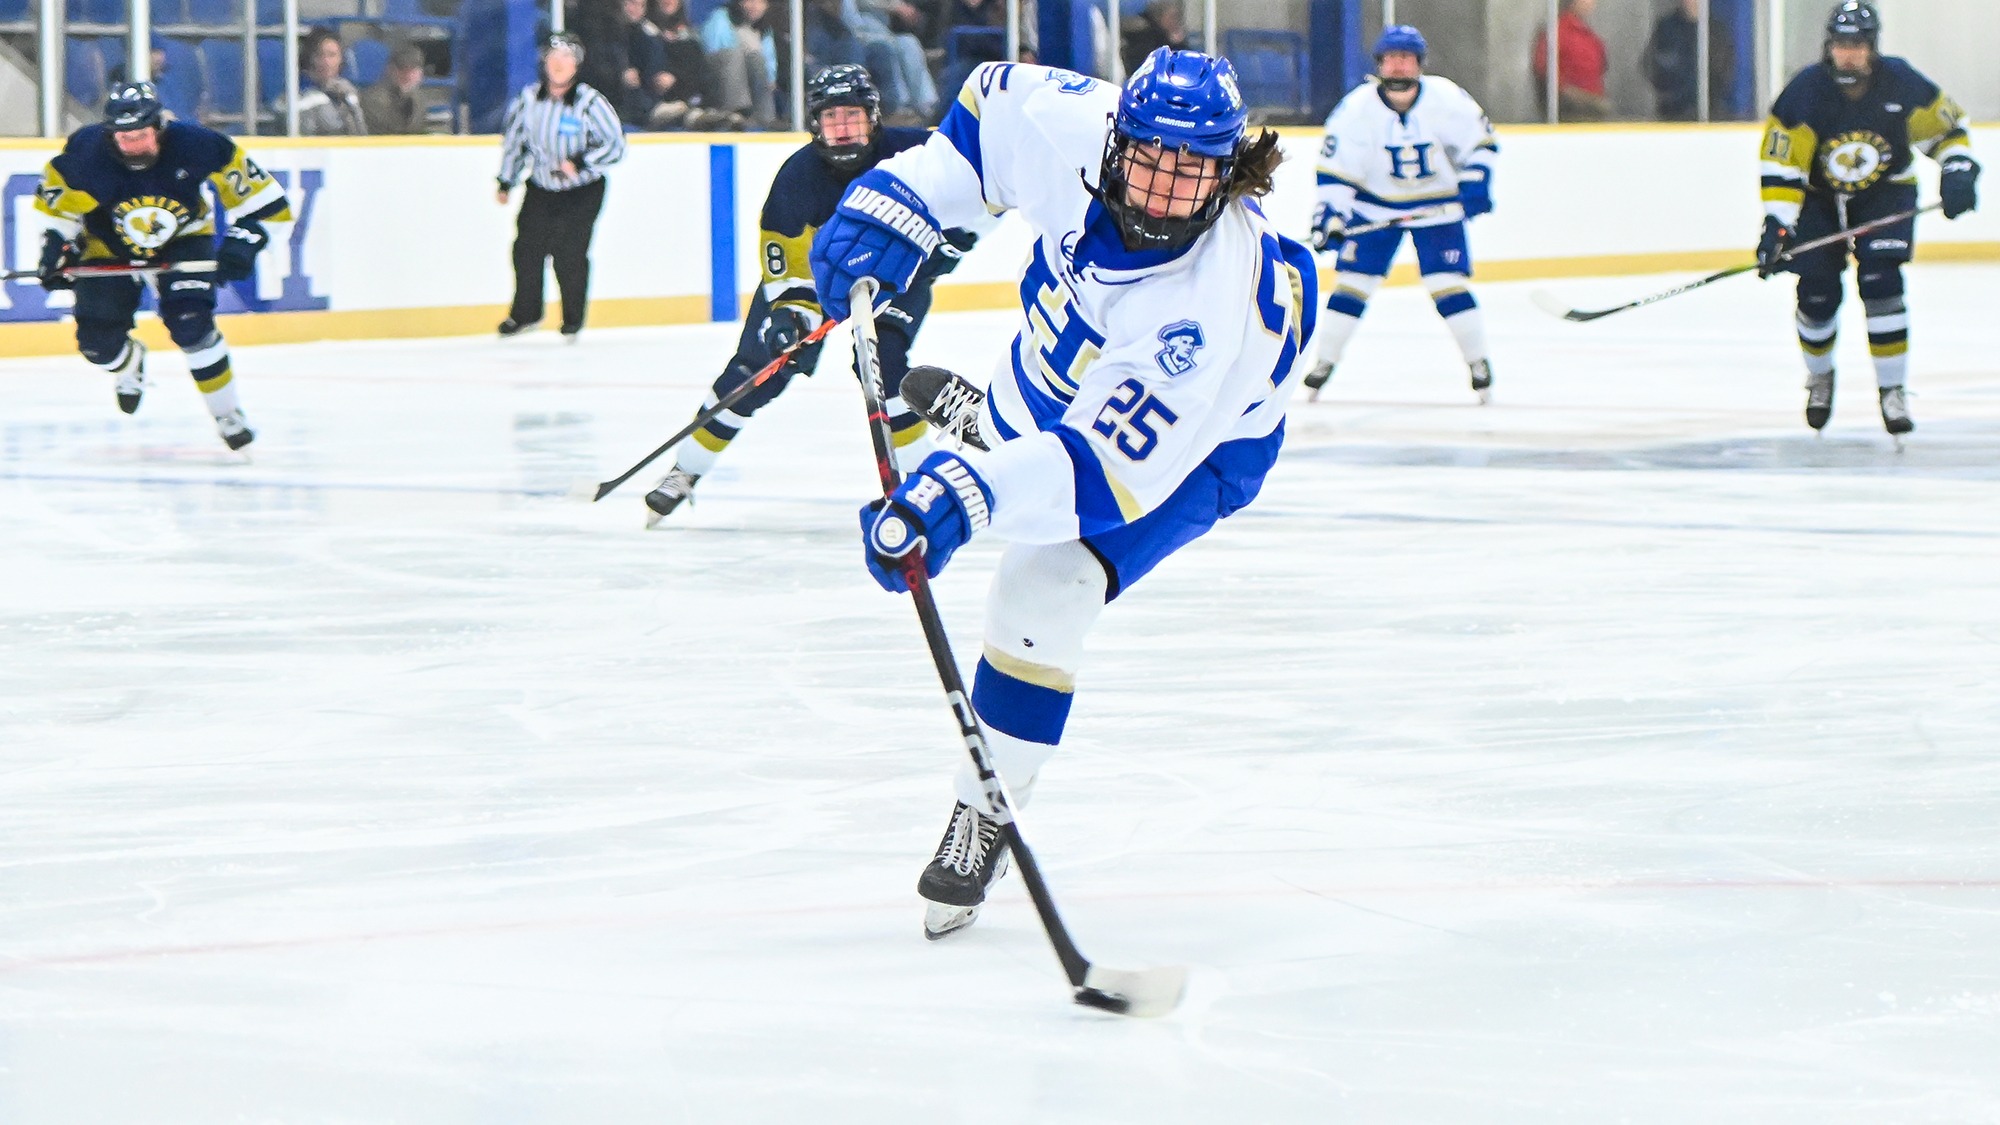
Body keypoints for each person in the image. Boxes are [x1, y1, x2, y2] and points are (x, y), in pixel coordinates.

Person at [809, 49, 1314, 938]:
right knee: (1026, 408)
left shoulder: (1200, 316)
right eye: (1150, 158)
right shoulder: (1071, 122)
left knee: (1042, 589)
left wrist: (957, 496)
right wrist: (906, 202)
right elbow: (979, 125)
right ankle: (998, 436)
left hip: (1204, 447)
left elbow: (1094, 476)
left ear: (1225, 172)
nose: (1161, 190)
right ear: (1118, 138)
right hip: (1061, 369)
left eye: (1190, 171)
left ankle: (986, 805)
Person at [640, 65, 978, 525]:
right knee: (754, 373)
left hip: (897, 277)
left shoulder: (915, 150)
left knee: (884, 366)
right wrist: (791, 315)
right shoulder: (797, 177)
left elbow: (977, 186)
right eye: (831, 118)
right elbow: (785, 260)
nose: (842, 129)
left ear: (873, 118)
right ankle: (686, 471)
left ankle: (924, 484)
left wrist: (956, 237)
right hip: (821, 280)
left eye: (852, 117)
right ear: (816, 123)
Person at [1755, 0, 1978, 437]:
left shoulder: (1901, 82)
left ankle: (1892, 391)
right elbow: (1782, 166)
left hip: (1885, 193)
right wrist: (1778, 224)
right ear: (1829, 46)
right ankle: (1820, 378)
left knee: (1881, 283)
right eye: (1841, 44)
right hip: (1819, 200)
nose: (1848, 54)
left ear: (1872, 47)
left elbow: (1948, 129)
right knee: (1816, 297)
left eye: (1857, 44)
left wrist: (1958, 168)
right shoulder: (1806, 92)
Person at [33, 82, 291, 451]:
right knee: (97, 346)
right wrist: (57, 249)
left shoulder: (200, 145)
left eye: (141, 136)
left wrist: (243, 244)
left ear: (159, 127)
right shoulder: (84, 155)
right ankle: (129, 363)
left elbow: (268, 204)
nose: (133, 145)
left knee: (192, 326)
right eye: (124, 138)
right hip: (108, 242)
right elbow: (57, 211)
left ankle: (227, 414)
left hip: (184, 237)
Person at [1305, 25, 1497, 403]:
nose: (1398, 67)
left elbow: (1481, 144)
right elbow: (1336, 173)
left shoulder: (1447, 98)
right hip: (1374, 206)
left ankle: (1479, 363)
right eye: (1391, 59)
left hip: (1437, 208)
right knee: (1352, 284)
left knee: (1447, 284)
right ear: (1379, 64)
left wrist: (1476, 183)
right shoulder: (1356, 109)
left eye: (1406, 59)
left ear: (1419, 65)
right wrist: (1329, 218)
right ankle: (1324, 363)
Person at [495, 32, 627, 341]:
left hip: (582, 191)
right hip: (541, 188)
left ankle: (572, 319)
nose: (558, 65)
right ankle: (525, 313)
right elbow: (515, 143)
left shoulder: (590, 102)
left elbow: (615, 146)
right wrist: (506, 179)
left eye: (566, 59)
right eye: (553, 59)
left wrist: (581, 162)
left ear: (577, 66)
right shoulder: (528, 100)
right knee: (526, 249)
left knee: (569, 252)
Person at [1642, 0, 1735, 122]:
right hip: (1671, 114)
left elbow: (1724, 70)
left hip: (1711, 113)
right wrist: (1669, 93)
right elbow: (1649, 65)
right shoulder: (1666, 28)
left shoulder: (1716, 30)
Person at [702, 0, 780, 127]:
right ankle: (737, 113)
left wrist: (771, 78)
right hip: (718, 78)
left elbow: (769, 59)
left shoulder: (765, 28)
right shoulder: (721, 18)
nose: (755, 6)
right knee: (736, 55)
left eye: (760, 2)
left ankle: (765, 118)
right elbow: (718, 54)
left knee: (757, 60)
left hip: (752, 82)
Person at [1531, 0, 1609, 121]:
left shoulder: (1588, 34)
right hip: (1570, 115)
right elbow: (1546, 77)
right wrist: (1586, 100)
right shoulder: (1556, 32)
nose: (1593, 3)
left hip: (1593, 113)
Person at [294, 28, 367, 135]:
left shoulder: (348, 92)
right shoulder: (296, 95)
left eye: (332, 55)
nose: (326, 62)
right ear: (309, 58)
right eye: (319, 55)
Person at [359, 42, 428, 135]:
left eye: (413, 70)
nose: (407, 75)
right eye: (402, 69)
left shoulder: (420, 100)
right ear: (390, 70)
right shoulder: (373, 99)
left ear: (421, 73)